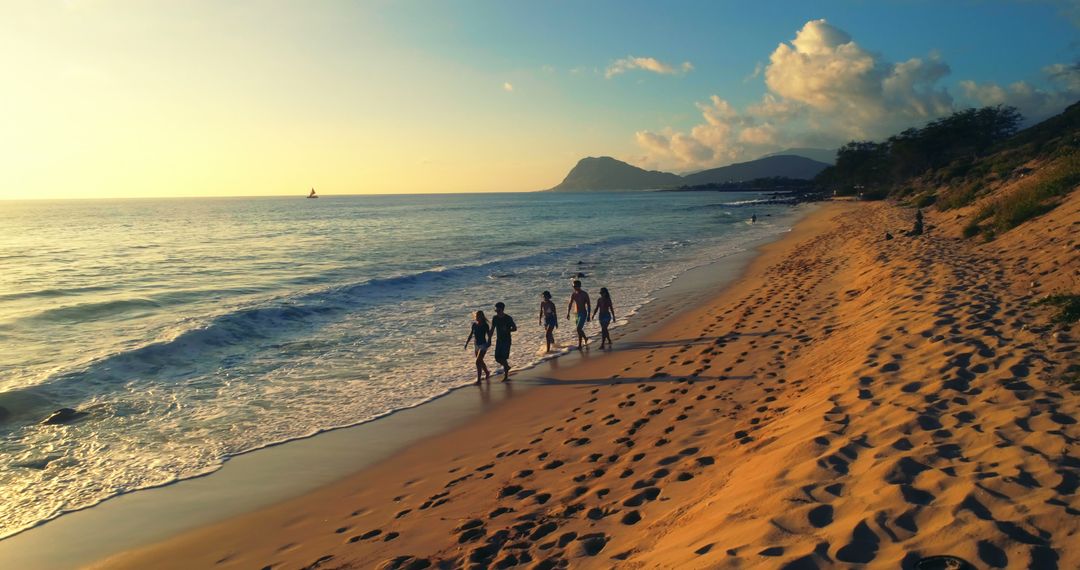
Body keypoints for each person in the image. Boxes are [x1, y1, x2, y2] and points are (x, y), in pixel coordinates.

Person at [491, 302, 517, 381]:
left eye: (497, 309)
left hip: (506, 340)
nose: (496, 311)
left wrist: (508, 330)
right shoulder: (495, 318)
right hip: (499, 340)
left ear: (502, 309)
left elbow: (515, 328)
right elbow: (492, 329)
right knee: (497, 358)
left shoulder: (508, 318)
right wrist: (489, 339)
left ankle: (506, 376)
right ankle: (507, 367)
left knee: (503, 358)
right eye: (495, 309)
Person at [464, 310, 491, 384]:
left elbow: (489, 335)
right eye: (476, 316)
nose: (477, 317)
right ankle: (487, 372)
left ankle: (479, 380)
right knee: (480, 361)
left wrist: (489, 342)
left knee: (477, 362)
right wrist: (467, 343)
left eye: (478, 316)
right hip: (476, 344)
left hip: (483, 345)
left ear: (482, 317)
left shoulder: (485, 325)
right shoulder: (474, 325)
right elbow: (471, 334)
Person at [566, 280, 591, 349]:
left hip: (583, 313)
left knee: (578, 328)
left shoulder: (584, 294)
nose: (574, 288)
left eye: (575, 286)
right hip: (576, 313)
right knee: (579, 330)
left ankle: (585, 339)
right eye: (573, 286)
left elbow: (588, 305)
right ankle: (580, 344)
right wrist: (568, 313)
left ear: (579, 286)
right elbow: (570, 303)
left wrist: (589, 315)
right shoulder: (573, 294)